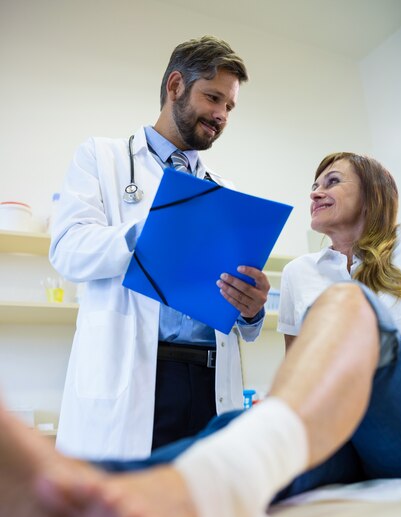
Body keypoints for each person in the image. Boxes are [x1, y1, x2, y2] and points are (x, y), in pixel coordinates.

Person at [1, 278, 401, 517]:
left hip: (400, 413)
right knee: (245, 431)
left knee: (346, 302)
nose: (318, 192)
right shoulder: (304, 270)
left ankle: (193, 491)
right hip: (348, 423)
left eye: (334, 180)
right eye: (317, 182)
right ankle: (72, 509)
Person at [49, 35, 270, 461]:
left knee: (200, 508)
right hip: (138, 377)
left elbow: (247, 327)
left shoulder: (225, 193)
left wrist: (252, 308)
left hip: (209, 379)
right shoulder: (101, 158)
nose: (221, 115)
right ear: (174, 87)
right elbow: (67, 249)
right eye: (213, 98)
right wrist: (148, 229)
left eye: (230, 106)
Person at [278, 151, 401, 356]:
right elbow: (295, 359)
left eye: (333, 181)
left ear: (372, 193)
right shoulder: (296, 271)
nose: (315, 194)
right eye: (314, 187)